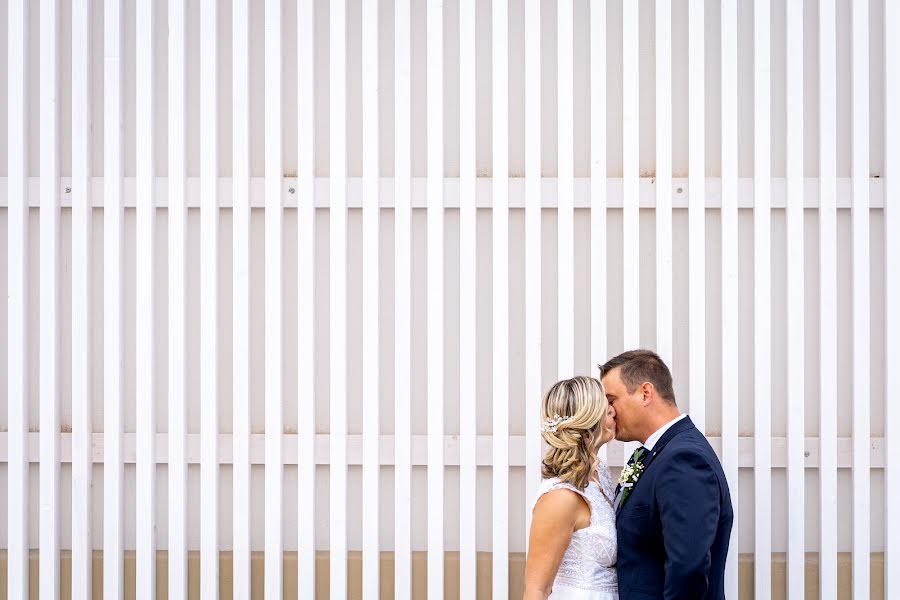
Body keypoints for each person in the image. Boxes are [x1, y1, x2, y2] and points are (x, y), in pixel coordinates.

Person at [600, 349, 733, 599]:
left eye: (611, 399)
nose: (608, 411)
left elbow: (688, 568)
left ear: (645, 393)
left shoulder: (683, 460)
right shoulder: (655, 454)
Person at [524, 376, 619, 599]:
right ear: (587, 432)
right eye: (606, 411)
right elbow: (537, 588)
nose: (614, 411)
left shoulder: (600, 474)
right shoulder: (560, 498)